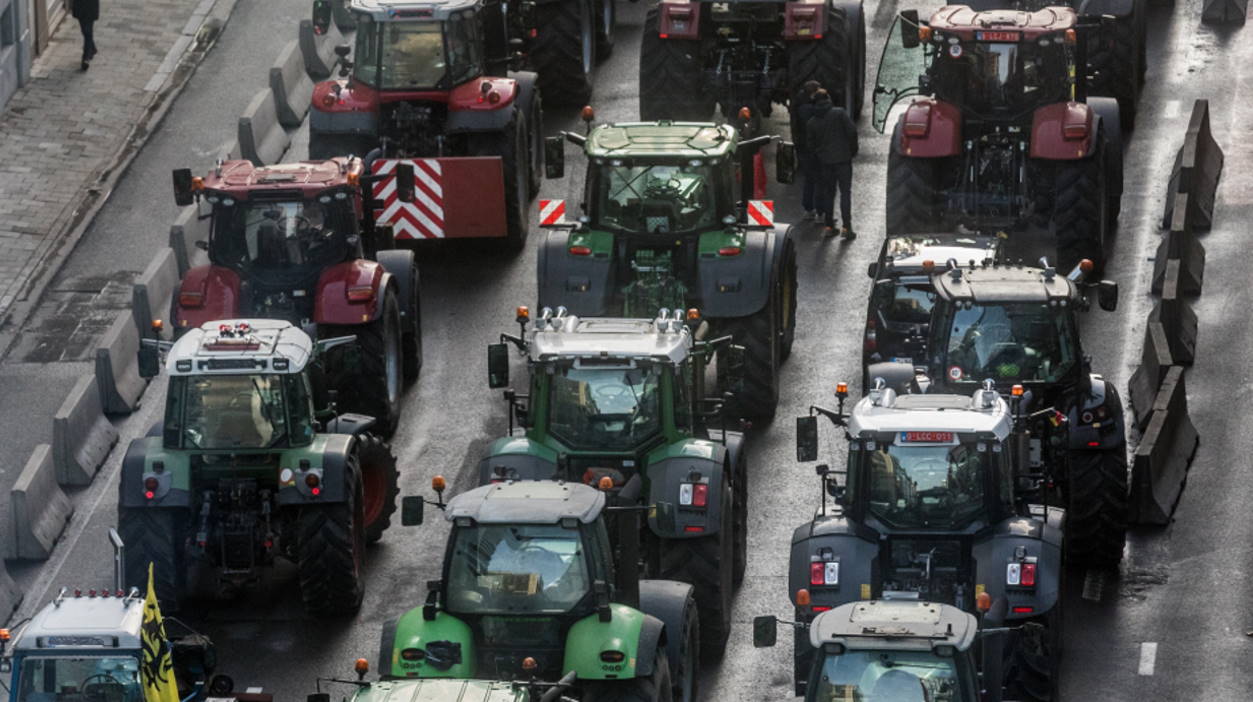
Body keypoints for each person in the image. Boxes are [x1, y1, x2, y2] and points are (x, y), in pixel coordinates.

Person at [805, 89, 859, 239]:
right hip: (843, 160)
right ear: (827, 99)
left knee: (829, 193)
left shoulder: (812, 123)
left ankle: (829, 226)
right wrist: (852, 151)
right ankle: (847, 228)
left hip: (825, 163)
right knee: (845, 193)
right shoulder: (839, 113)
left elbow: (810, 146)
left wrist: (819, 157)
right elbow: (852, 131)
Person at [789, 80, 822, 220]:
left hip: (802, 147)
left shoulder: (798, 105)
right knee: (820, 179)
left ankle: (809, 209)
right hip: (813, 148)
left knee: (809, 179)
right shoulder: (810, 110)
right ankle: (820, 211)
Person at [71, 0, 100, 71]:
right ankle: (92, 48)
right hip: (80, 4)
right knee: (84, 30)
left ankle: (86, 58)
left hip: (91, 4)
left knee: (88, 32)